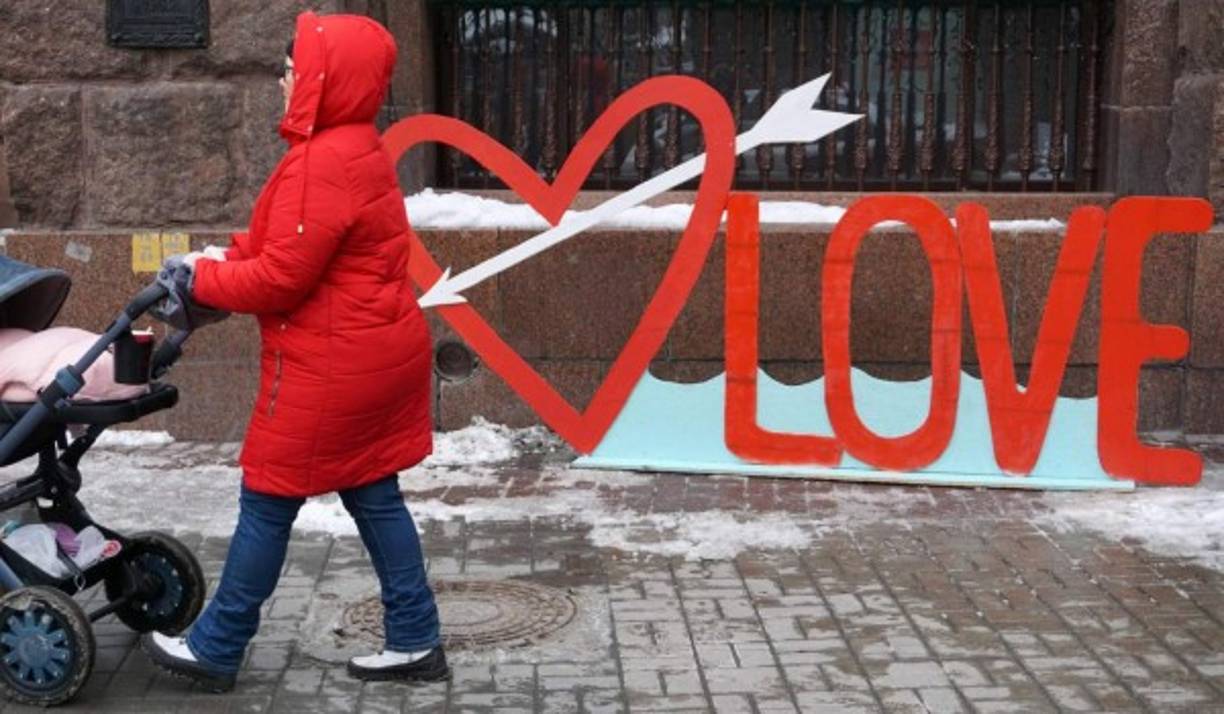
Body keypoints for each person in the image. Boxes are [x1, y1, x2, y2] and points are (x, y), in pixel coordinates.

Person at [140, 11, 445, 692]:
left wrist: (203, 278)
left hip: (331, 368)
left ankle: (218, 645)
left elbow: (283, 278)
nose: (284, 83)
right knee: (374, 495)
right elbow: (288, 247)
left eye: (290, 71)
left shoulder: (321, 161)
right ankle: (416, 638)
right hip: (374, 357)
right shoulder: (356, 146)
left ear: (320, 79)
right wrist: (224, 257)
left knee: (267, 498)